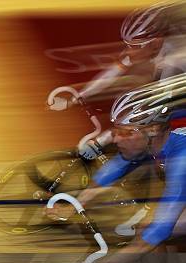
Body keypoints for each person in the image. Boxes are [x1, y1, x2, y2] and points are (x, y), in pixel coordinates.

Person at [46, 73, 186, 263]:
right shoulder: (157, 142)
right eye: (115, 131)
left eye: (124, 132)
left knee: (150, 228)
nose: (116, 139)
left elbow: (160, 228)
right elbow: (119, 165)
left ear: (152, 129)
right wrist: (79, 202)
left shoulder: (182, 157)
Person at [48, 1, 186, 160]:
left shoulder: (173, 62)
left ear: (156, 42)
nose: (129, 51)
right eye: (127, 45)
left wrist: (103, 140)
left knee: (164, 137)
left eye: (135, 46)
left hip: (178, 77)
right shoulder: (156, 41)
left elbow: (151, 112)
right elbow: (112, 72)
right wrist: (77, 97)